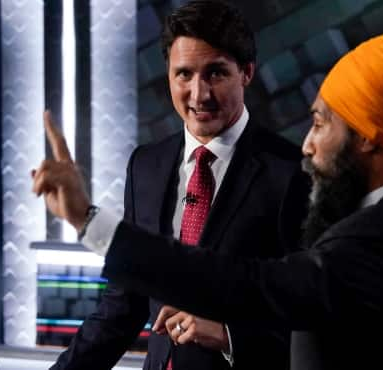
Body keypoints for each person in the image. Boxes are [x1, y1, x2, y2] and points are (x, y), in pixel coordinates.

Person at [33, 30, 383, 369]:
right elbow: (123, 307)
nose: (309, 146)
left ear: (369, 136)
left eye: (320, 123)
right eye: (183, 73)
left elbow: (251, 286)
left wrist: (89, 220)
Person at [48, 1, 310, 369]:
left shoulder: (292, 173)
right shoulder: (146, 165)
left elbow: (312, 320)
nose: (199, 94)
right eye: (184, 75)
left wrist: (229, 336)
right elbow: (123, 306)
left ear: (247, 72)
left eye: (215, 74)